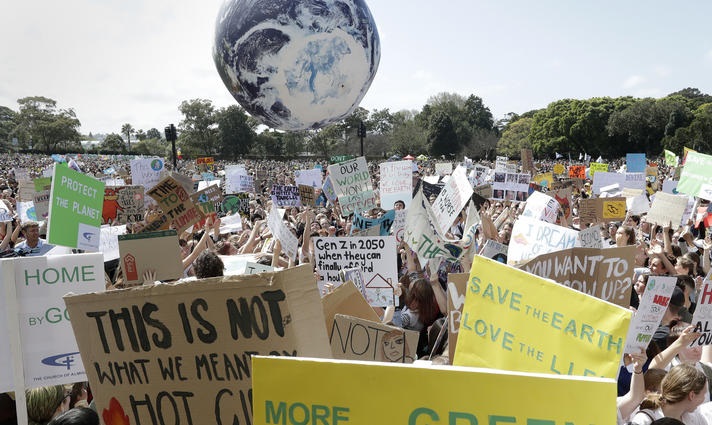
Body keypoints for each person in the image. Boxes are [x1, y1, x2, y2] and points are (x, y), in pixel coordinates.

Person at [628, 363, 707, 424]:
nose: (704, 399)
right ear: (692, 395)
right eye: (703, 394)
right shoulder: (644, 419)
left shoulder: (696, 418)